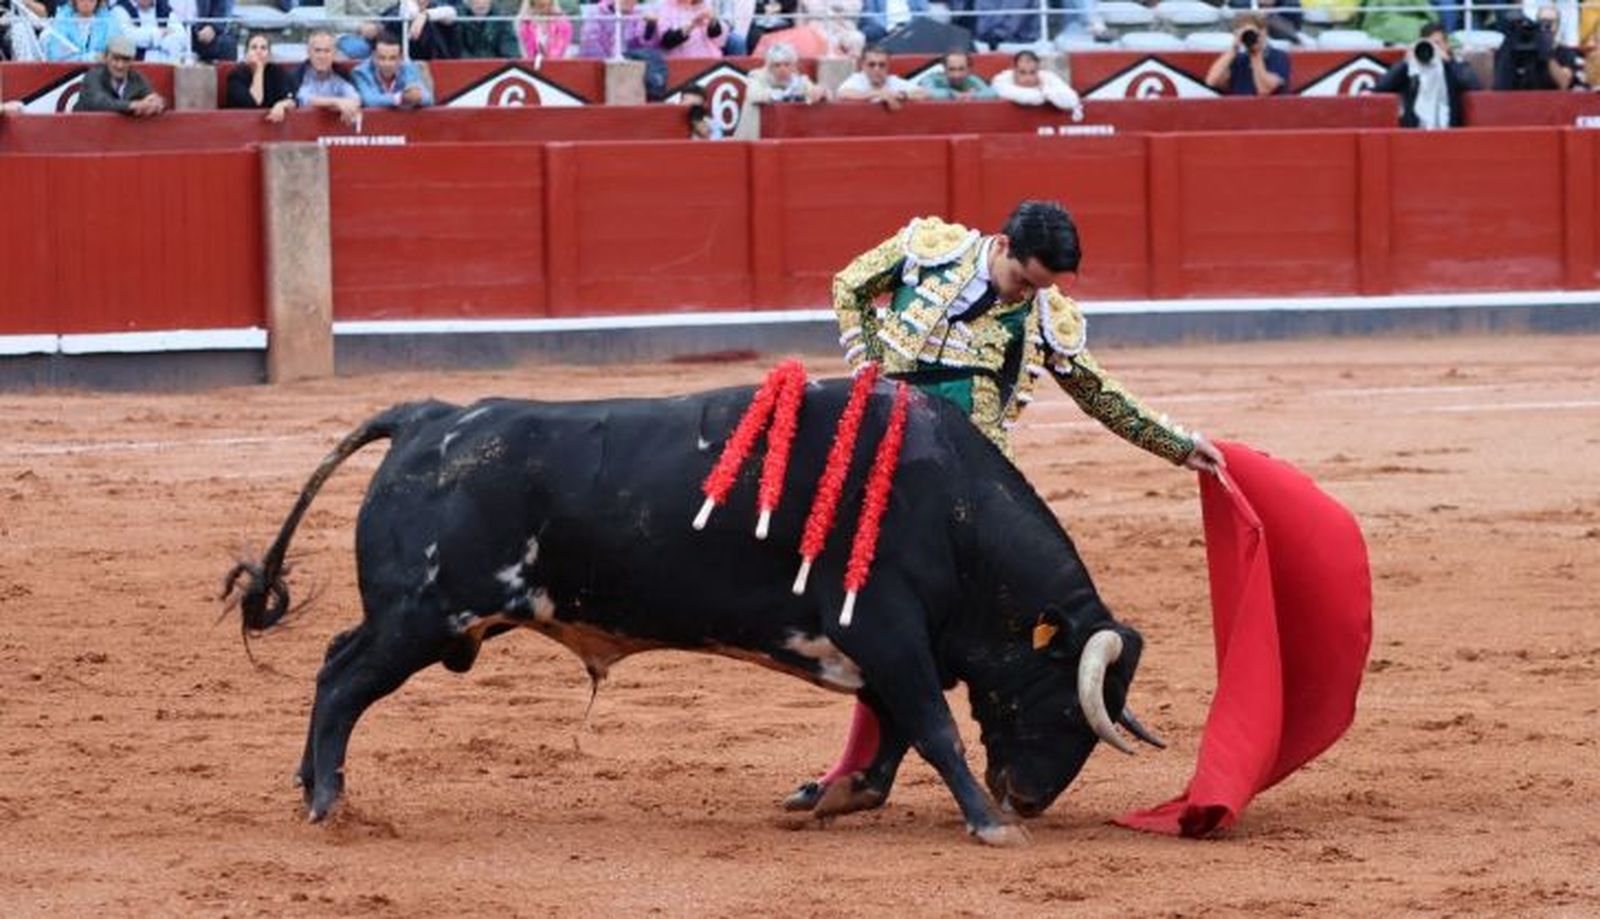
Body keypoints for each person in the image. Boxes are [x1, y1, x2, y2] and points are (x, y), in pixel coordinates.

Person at [786, 200, 1224, 814]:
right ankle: (865, 771)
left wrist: (1178, 446)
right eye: (1024, 280)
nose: (1028, 295)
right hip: (885, 466)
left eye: (1041, 287)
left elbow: (1098, 393)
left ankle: (873, 770)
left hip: (969, 498)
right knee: (886, 618)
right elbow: (851, 285)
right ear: (1003, 247)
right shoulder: (929, 251)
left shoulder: (1046, 316)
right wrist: (868, 368)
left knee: (922, 626)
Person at [1370, 22, 1477, 128]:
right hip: (1414, 133)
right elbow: (1381, 87)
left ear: (1446, 45)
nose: (1433, 49)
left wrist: (1449, 62)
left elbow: (1474, 86)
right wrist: (1405, 62)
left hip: (1448, 131)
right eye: (1429, 45)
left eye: (1437, 44)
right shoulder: (1410, 69)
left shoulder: (1454, 66)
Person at [1493, 5, 1583, 90]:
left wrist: (1548, 55)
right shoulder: (1526, 48)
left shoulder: (1566, 52)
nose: (1547, 26)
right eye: (1543, 21)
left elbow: (1564, 84)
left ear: (1558, 25)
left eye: (1551, 22)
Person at [75, 33, 166, 114]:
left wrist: (156, 102)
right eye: (115, 59)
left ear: (132, 61)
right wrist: (133, 105)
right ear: (105, 58)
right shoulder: (93, 76)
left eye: (125, 60)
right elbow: (99, 102)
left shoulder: (136, 77)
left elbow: (151, 95)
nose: (120, 65)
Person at [1203, 11, 1289, 96]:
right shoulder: (1238, 59)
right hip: (1238, 108)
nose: (1249, 36)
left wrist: (1256, 55)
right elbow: (1212, 81)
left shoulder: (1278, 56)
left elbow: (1264, 90)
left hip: (1270, 109)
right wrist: (1233, 49)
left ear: (1263, 31)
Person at [225, 32, 297, 122]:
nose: (258, 52)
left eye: (263, 48)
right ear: (246, 53)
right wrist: (259, 69)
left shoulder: (277, 72)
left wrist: (281, 105)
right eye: (254, 47)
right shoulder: (236, 76)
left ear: (269, 55)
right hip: (241, 125)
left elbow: (291, 100)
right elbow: (254, 103)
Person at [296, 30, 362, 126]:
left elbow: (355, 98)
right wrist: (337, 103)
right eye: (317, 50)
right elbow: (305, 99)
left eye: (327, 51)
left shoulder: (341, 74)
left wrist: (348, 106)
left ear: (334, 54)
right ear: (308, 53)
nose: (322, 56)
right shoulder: (298, 75)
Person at [352, 34, 434, 107]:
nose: (387, 64)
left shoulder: (408, 67)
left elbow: (427, 98)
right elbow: (369, 100)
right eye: (382, 58)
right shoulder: (360, 73)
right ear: (373, 56)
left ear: (400, 58)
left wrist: (417, 97)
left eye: (393, 58)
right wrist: (401, 98)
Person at [836, 44, 927, 108]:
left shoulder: (893, 81)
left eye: (882, 65)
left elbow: (924, 93)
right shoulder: (857, 79)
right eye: (872, 64)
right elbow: (842, 93)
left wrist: (900, 95)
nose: (877, 69)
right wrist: (878, 93)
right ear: (863, 65)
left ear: (888, 66)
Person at [992, 49, 1080, 112]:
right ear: (1014, 71)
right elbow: (1026, 97)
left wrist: (1045, 92)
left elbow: (1072, 100)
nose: (1028, 78)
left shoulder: (1047, 77)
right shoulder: (1001, 81)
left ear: (1038, 70)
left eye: (1032, 72)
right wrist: (1046, 95)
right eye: (1022, 72)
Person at [746, 40, 827, 103]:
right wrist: (779, 94)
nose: (782, 69)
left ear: (793, 66)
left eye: (787, 65)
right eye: (777, 65)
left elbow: (816, 91)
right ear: (769, 67)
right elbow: (754, 95)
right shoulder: (757, 76)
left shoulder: (799, 80)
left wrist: (820, 92)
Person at [111, 0, 189, 62]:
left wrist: (164, 42)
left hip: (167, 66)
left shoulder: (163, 6)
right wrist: (159, 33)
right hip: (136, 68)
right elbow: (129, 37)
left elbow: (182, 36)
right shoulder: (120, 9)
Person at [43, 0, 120, 62]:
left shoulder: (109, 20)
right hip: (69, 74)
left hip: (101, 74)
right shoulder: (62, 20)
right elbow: (56, 57)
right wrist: (91, 58)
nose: (86, 2)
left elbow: (116, 52)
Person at [917, 50, 996, 100]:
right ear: (944, 69)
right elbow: (926, 92)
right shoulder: (932, 79)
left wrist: (972, 96)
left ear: (968, 69)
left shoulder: (972, 79)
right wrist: (956, 95)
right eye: (952, 69)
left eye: (961, 69)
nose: (956, 75)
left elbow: (992, 93)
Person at [455, 0, 521, 58]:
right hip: (465, 68)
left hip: (495, 68)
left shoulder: (502, 18)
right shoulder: (457, 18)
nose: (481, 2)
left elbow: (511, 52)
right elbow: (456, 51)